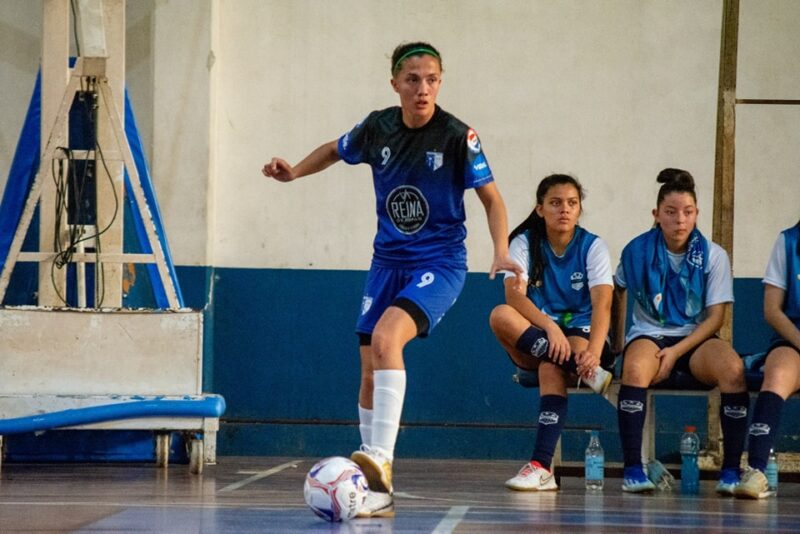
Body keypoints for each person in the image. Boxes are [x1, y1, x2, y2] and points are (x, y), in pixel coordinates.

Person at [262, 41, 522, 517]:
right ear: (396, 84)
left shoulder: (457, 136)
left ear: (441, 82)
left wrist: (501, 249)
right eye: (413, 80)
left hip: (439, 262)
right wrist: (295, 172)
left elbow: (493, 200)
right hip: (386, 262)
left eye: (432, 79)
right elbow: (334, 150)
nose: (423, 89)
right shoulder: (377, 126)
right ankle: (376, 490)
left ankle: (380, 458)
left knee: (387, 338)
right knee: (368, 366)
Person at [612, 168, 748, 494]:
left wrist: (676, 351)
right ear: (656, 215)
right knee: (633, 370)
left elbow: (715, 319)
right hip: (649, 333)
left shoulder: (714, 256)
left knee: (733, 370)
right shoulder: (636, 251)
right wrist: (616, 344)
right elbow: (616, 290)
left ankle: (730, 472)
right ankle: (633, 469)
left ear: (697, 214)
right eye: (671, 213)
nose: (680, 220)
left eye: (687, 212)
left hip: (696, 337)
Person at [489, 174, 615, 491]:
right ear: (540, 208)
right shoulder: (525, 243)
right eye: (555, 203)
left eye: (572, 203)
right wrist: (548, 325)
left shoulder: (592, 246)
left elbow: (602, 306)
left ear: (579, 209)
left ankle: (541, 466)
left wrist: (595, 353)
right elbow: (513, 296)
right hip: (540, 336)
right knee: (500, 315)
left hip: (580, 334)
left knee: (551, 365)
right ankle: (583, 370)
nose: (564, 210)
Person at [735, 220, 800, 499]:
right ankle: (756, 470)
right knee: (777, 374)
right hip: (793, 339)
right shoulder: (788, 241)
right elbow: (772, 311)